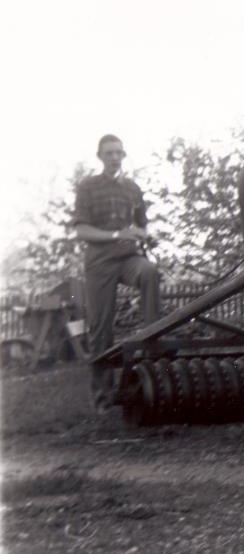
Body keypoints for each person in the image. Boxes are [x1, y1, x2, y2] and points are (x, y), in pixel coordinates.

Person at [73, 134, 161, 413]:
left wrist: (146, 237)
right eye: (109, 153)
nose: (114, 157)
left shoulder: (133, 189)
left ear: (124, 156)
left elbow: (140, 226)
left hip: (128, 257)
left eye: (119, 153)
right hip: (99, 261)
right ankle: (102, 397)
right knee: (101, 329)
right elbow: (81, 230)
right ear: (100, 156)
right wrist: (115, 234)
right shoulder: (88, 186)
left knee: (149, 272)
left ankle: (152, 336)